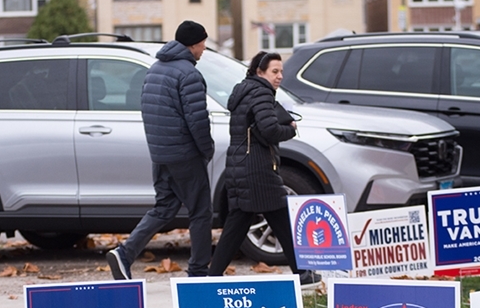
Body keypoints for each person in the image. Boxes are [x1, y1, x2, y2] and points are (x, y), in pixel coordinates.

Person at [107, 20, 215, 279]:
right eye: (203, 44)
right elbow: (197, 120)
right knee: (201, 211)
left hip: (161, 153)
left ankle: (124, 253)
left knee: (164, 208)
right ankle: (199, 272)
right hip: (184, 153)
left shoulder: (155, 69)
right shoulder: (189, 74)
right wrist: (206, 150)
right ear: (194, 44)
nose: (204, 49)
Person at [207, 52, 320, 286]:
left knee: (238, 227)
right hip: (258, 169)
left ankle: (212, 277)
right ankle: (304, 275)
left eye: (281, 71)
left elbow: (256, 128)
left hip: (241, 166)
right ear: (260, 72)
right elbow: (268, 130)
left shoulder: (245, 91)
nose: (279, 76)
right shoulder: (261, 92)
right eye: (274, 72)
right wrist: (291, 129)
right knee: (280, 220)